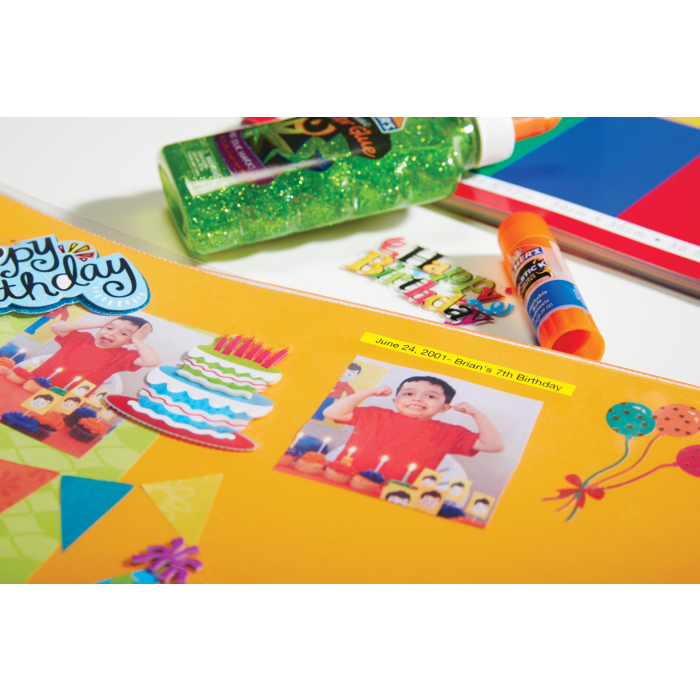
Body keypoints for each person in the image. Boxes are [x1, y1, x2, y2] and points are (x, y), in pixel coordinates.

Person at [324, 375, 504, 485]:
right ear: (395, 400)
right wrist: (369, 392)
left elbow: (494, 445)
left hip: (397, 495)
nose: (417, 399)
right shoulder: (374, 414)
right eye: (409, 393)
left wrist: (476, 413)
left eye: (431, 396)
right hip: (341, 480)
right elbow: (331, 412)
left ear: (444, 408)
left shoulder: (451, 432)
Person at [30, 315, 160, 395]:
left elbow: (152, 361)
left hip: (66, 399)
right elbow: (56, 328)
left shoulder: (123, 356)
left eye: (124, 334)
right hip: (33, 382)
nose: (111, 333)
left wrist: (138, 339)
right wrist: (96, 324)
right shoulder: (82, 338)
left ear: (130, 341)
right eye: (109, 328)